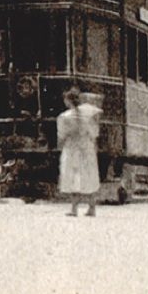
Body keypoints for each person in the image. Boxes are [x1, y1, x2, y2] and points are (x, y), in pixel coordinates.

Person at [57, 87, 101, 217]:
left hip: (71, 148)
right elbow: (94, 133)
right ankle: (92, 207)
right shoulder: (89, 115)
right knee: (89, 176)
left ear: (67, 101)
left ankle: (74, 208)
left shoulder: (64, 117)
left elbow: (61, 135)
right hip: (87, 147)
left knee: (72, 177)